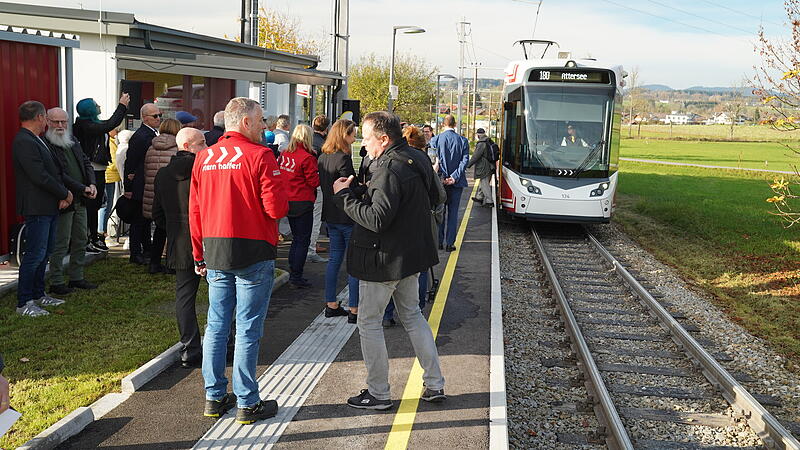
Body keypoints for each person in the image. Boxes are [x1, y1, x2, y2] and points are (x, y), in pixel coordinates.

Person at [333, 111, 446, 410]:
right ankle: (435, 383)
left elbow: (377, 218)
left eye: (368, 139)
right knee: (413, 316)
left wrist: (345, 196)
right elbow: (437, 196)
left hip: (382, 259)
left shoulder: (386, 168)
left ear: (383, 139)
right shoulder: (417, 157)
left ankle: (379, 392)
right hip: (412, 257)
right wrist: (363, 190)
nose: (363, 145)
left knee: (369, 322)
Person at [190, 97, 288, 424]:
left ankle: (213, 396)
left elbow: (195, 210)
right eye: (261, 120)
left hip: (215, 248)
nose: (265, 126)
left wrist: (198, 253)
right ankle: (247, 402)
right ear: (245, 122)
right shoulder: (261, 155)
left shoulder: (204, 157)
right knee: (247, 327)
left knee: (216, 326)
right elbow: (276, 209)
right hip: (253, 248)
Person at [152, 127, 207, 368]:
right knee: (221, 296)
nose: (206, 147)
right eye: (202, 143)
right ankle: (224, 345)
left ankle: (189, 348)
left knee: (184, 297)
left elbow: (157, 214)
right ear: (188, 146)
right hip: (207, 240)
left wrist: (173, 232)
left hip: (179, 241)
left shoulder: (162, 175)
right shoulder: (203, 170)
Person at [382, 125, 446, 327]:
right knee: (419, 266)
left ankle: (388, 314)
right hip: (420, 222)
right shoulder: (423, 161)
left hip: (394, 224)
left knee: (394, 268)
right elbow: (440, 195)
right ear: (421, 144)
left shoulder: (388, 160)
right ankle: (414, 312)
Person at [13, 101, 72, 317]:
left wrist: (62, 193)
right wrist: (63, 193)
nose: (47, 121)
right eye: (46, 117)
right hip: (37, 206)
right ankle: (24, 302)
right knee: (35, 254)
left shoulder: (36, 139)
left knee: (45, 252)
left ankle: (38, 294)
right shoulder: (24, 141)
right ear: (39, 118)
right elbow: (39, 175)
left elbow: (52, 171)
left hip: (47, 205)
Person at [44, 107, 99, 295]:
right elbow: (59, 174)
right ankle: (57, 281)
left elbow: (86, 162)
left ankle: (77, 277)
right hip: (64, 200)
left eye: (63, 121)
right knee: (61, 242)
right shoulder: (46, 144)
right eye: (56, 121)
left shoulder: (73, 140)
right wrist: (82, 188)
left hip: (81, 199)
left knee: (80, 239)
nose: (60, 125)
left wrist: (92, 183)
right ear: (47, 122)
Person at [73, 94, 129, 253]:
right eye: (96, 105)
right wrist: (122, 106)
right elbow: (111, 123)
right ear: (89, 109)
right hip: (91, 171)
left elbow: (108, 124)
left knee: (96, 205)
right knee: (91, 206)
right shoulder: (85, 125)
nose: (99, 106)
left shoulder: (92, 124)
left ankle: (94, 237)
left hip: (99, 170)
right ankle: (88, 239)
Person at [318, 119, 359, 323]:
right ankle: (354, 308)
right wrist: (366, 186)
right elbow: (349, 187)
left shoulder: (323, 157)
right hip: (346, 215)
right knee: (353, 262)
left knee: (334, 259)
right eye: (353, 134)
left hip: (331, 215)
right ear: (345, 135)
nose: (355, 138)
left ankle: (331, 303)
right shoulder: (343, 158)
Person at [279, 124, 320, 288]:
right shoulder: (307, 157)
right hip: (303, 201)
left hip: (287, 200)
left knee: (296, 239)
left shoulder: (285, 154)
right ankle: (296, 275)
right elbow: (314, 182)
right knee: (302, 240)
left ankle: (293, 271)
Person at [124, 103, 162, 265]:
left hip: (145, 183)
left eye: (160, 115)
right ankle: (136, 253)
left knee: (145, 219)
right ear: (145, 118)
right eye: (155, 116)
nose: (158, 118)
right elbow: (130, 163)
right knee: (139, 220)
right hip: (140, 184)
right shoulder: (141, 136)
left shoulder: (149, 133)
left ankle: (146, 249)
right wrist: (129, 187)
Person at [143, 118, 181, 274]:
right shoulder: (177, 148)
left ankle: (154, 263)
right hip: (173, 194)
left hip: (153, 192)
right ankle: (171, 264)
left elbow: (146, 171)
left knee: (159, 228)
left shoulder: (151, 147)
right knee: (174, 230)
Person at [430, 114, 469, 252]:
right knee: (453, 213)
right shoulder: (463, 141)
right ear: (455, 124)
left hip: (440, 182)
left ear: (443, 125)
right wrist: (454, 177)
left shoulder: (436, 140)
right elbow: (464, 161)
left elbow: (434, 160)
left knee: (440, 212)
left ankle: (439, 242)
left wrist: (443, 177)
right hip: (456, 183)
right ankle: (450, 243)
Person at [307, 115, 330, 264]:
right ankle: (311, 249)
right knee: (315, 218)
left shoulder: (308, 142)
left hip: (303, 187)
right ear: (326, 128)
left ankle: (309, 246)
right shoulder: (323, 145)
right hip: (317, 184)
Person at [98, 126, 123, 244]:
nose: (117, 133)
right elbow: (112, 161)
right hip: (109, 177)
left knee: (106, 205)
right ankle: (101, 231)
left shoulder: (110, 140)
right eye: (116, 130)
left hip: (110, 176)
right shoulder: (110, 142)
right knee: (106, 205)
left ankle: (101, 231)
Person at [468, 128, 496, 208]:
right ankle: (479, 197)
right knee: (483, 182)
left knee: (484, 183)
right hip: (490, 165)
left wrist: (468, 165)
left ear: (478, 134)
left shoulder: (481, 143)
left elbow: (476, 156)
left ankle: (489, 201)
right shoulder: (489, 141)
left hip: (484, 166)